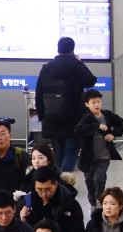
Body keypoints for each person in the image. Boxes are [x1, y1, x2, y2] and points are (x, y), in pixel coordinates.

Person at [36, 37, 98, 173]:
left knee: (58, 153)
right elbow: (91, 81)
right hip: (74, 117)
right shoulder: (76, 66)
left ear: (58, 49)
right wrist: (80, 63)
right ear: (72, 50)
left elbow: (39, 94)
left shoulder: (46, 68)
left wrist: (41, 116)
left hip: (51, 116)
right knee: (71, 151)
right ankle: (62, 183)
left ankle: (58, 183)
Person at [22, 168, 86, 232]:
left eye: (48, 190)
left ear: (56, 185)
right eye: (39, 190)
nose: (43, 194)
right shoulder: (27, 203)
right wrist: (23, 221)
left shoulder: (70, 205)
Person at [73, 89, 123, 207]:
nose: (97, 105)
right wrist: (96, 127)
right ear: (87, 104)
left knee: (100, 179)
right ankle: (92, 201)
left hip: (104, 154)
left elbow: (121, 122)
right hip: (88, 156)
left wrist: (113, 134)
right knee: (89, 180)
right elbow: (78, 130)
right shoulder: (87, 118)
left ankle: (100, 200)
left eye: (98, 101)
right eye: (93, 102)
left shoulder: (107, 115)